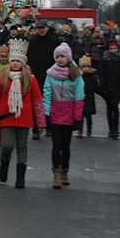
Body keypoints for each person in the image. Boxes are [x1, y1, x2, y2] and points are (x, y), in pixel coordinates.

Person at [0, 38, 46, 189]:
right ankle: (4, 164)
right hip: (7, 117)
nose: (15, 63)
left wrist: (41, 122)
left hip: (24, 118)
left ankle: (21, 177)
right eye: (13, 60)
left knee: (22, 146)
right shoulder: (2, 77)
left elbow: (37, 101)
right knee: (7, 145)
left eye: (18, 61)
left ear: (23, 63)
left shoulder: (30, 80)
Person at [43, 43, 84, 189]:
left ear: (68, 57)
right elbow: (46, 94)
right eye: (58, 57)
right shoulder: (51, 74)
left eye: (62, 56)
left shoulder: (76, 75)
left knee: (66, 146)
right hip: (55, 114)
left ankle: (64, 170)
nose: (60, 59)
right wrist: (46, 113)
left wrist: (77, 118)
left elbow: (79, 98)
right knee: (56, 145)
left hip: (69, 114)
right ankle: (56, 173)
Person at [27, 19, 61, 139]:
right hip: (36, 75)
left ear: (47, 28)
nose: (41, 30)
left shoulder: (55, 41)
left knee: (51, 101)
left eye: (43, 28)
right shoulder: (32, 42)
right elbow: (28, 58)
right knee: (36, 102)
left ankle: (49, 127)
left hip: (51, 76)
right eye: (39, 28)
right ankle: (36, 128)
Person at [98, 41, 120, 139]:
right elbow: (101, 73)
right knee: (110, 108)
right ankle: (111, 129)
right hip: (108, 86)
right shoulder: (105, 59)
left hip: (118, 86)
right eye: (111, 49)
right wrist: (103, 85)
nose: (114, 50)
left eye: (115, 48)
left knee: (116, 107)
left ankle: (116, 128)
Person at [78, 55, 99, 138]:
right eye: (84, 67)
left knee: (88, 117)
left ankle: (89, 129)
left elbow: (96, 88)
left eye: (87, 67)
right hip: (81, 98)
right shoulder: (79, 78)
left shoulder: (93, 78)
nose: (86, 68)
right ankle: (80, 130)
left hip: (89, 99)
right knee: (80, 117)